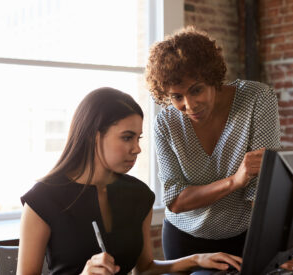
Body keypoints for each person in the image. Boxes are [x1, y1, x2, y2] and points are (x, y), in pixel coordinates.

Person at [17, 87, 242, 275]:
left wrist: (196, 259)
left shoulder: (139, 195)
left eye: (138, 138)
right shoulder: (42, 200)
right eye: (127, 137)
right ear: (93, 135)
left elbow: (144, 268)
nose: (137, 149)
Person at [145, 26, 282, 261]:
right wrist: (235, 181)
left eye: (196, 90)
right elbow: (176, 200)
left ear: (212, 77)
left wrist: (277, 249)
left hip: (244, 236)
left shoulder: (257, 99)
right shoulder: (165, 123)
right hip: (183, 240)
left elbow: (260, 189)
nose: (190, 105)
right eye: (177, 96)